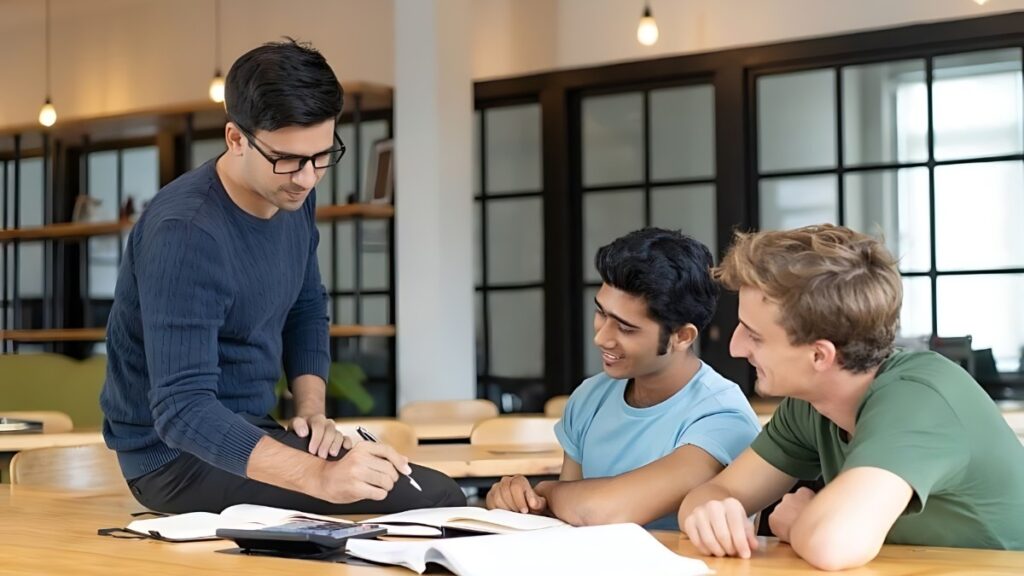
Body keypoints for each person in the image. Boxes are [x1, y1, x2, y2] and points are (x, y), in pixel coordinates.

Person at [100, 39, 464, 514]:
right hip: (172, 461)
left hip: (252, 430)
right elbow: (182, 411)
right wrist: (320, 476)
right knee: (432, 501)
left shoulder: (292, 193)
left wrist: (311, 410)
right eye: (287, 158)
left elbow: (306, 304)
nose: (307, 178)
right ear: (235, 138)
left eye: (321, 156)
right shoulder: (186, 232)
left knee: (427, 496)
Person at [678, 224, 1024, 570]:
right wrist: (711, 511)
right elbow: (711, 495)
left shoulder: (920, 401)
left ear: (820, 356)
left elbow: (833, 544)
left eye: (754, 336)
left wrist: (798, 520)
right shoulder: (809, 403)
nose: (736, 348)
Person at [486, 228, 760, 529]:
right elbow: (568, 523)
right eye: (601, 313)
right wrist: (521, 502)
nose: (601, 338)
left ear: (681, 336)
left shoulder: (723, 416)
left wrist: (547, 491)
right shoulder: (590, 396)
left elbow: (601, 511)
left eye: (626, 328)